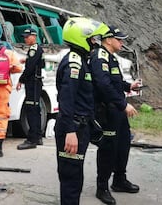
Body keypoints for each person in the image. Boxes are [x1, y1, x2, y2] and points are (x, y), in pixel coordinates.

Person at [55, 17, 109, 205]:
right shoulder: (74, 64)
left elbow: (84, 98)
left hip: (81, 125)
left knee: (75, 176)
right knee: (71, 178)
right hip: (73, 128)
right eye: (92, 39)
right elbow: (66, 100)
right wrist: (70, 131)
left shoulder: (82, 61)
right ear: (81, 38)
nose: (95, 43)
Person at [89, 26, 142, 205]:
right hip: (107, 111)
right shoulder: (99, 57)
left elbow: (115, 81)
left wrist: (129, 87)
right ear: (108, 39)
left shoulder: (110, 57)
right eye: (119, 39)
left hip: (116, 110)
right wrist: (123, 104)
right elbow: (103, 85)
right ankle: (101, 187)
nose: (122, 42)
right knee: (108, 149)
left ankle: (119, 180)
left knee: (123, 144)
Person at [16, 28, 45, 150]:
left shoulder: (34, 49)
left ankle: (31, 139)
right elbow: (39, 63)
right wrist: (27, 59)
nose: (25, 39)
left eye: (27, 37)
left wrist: (21, 80)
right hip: (36, 82)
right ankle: (38, 137)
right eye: (24, 37)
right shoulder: (37, 49)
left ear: (34, 36)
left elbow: (30, 69)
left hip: (32, 83)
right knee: (36, 110)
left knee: (31, 111)